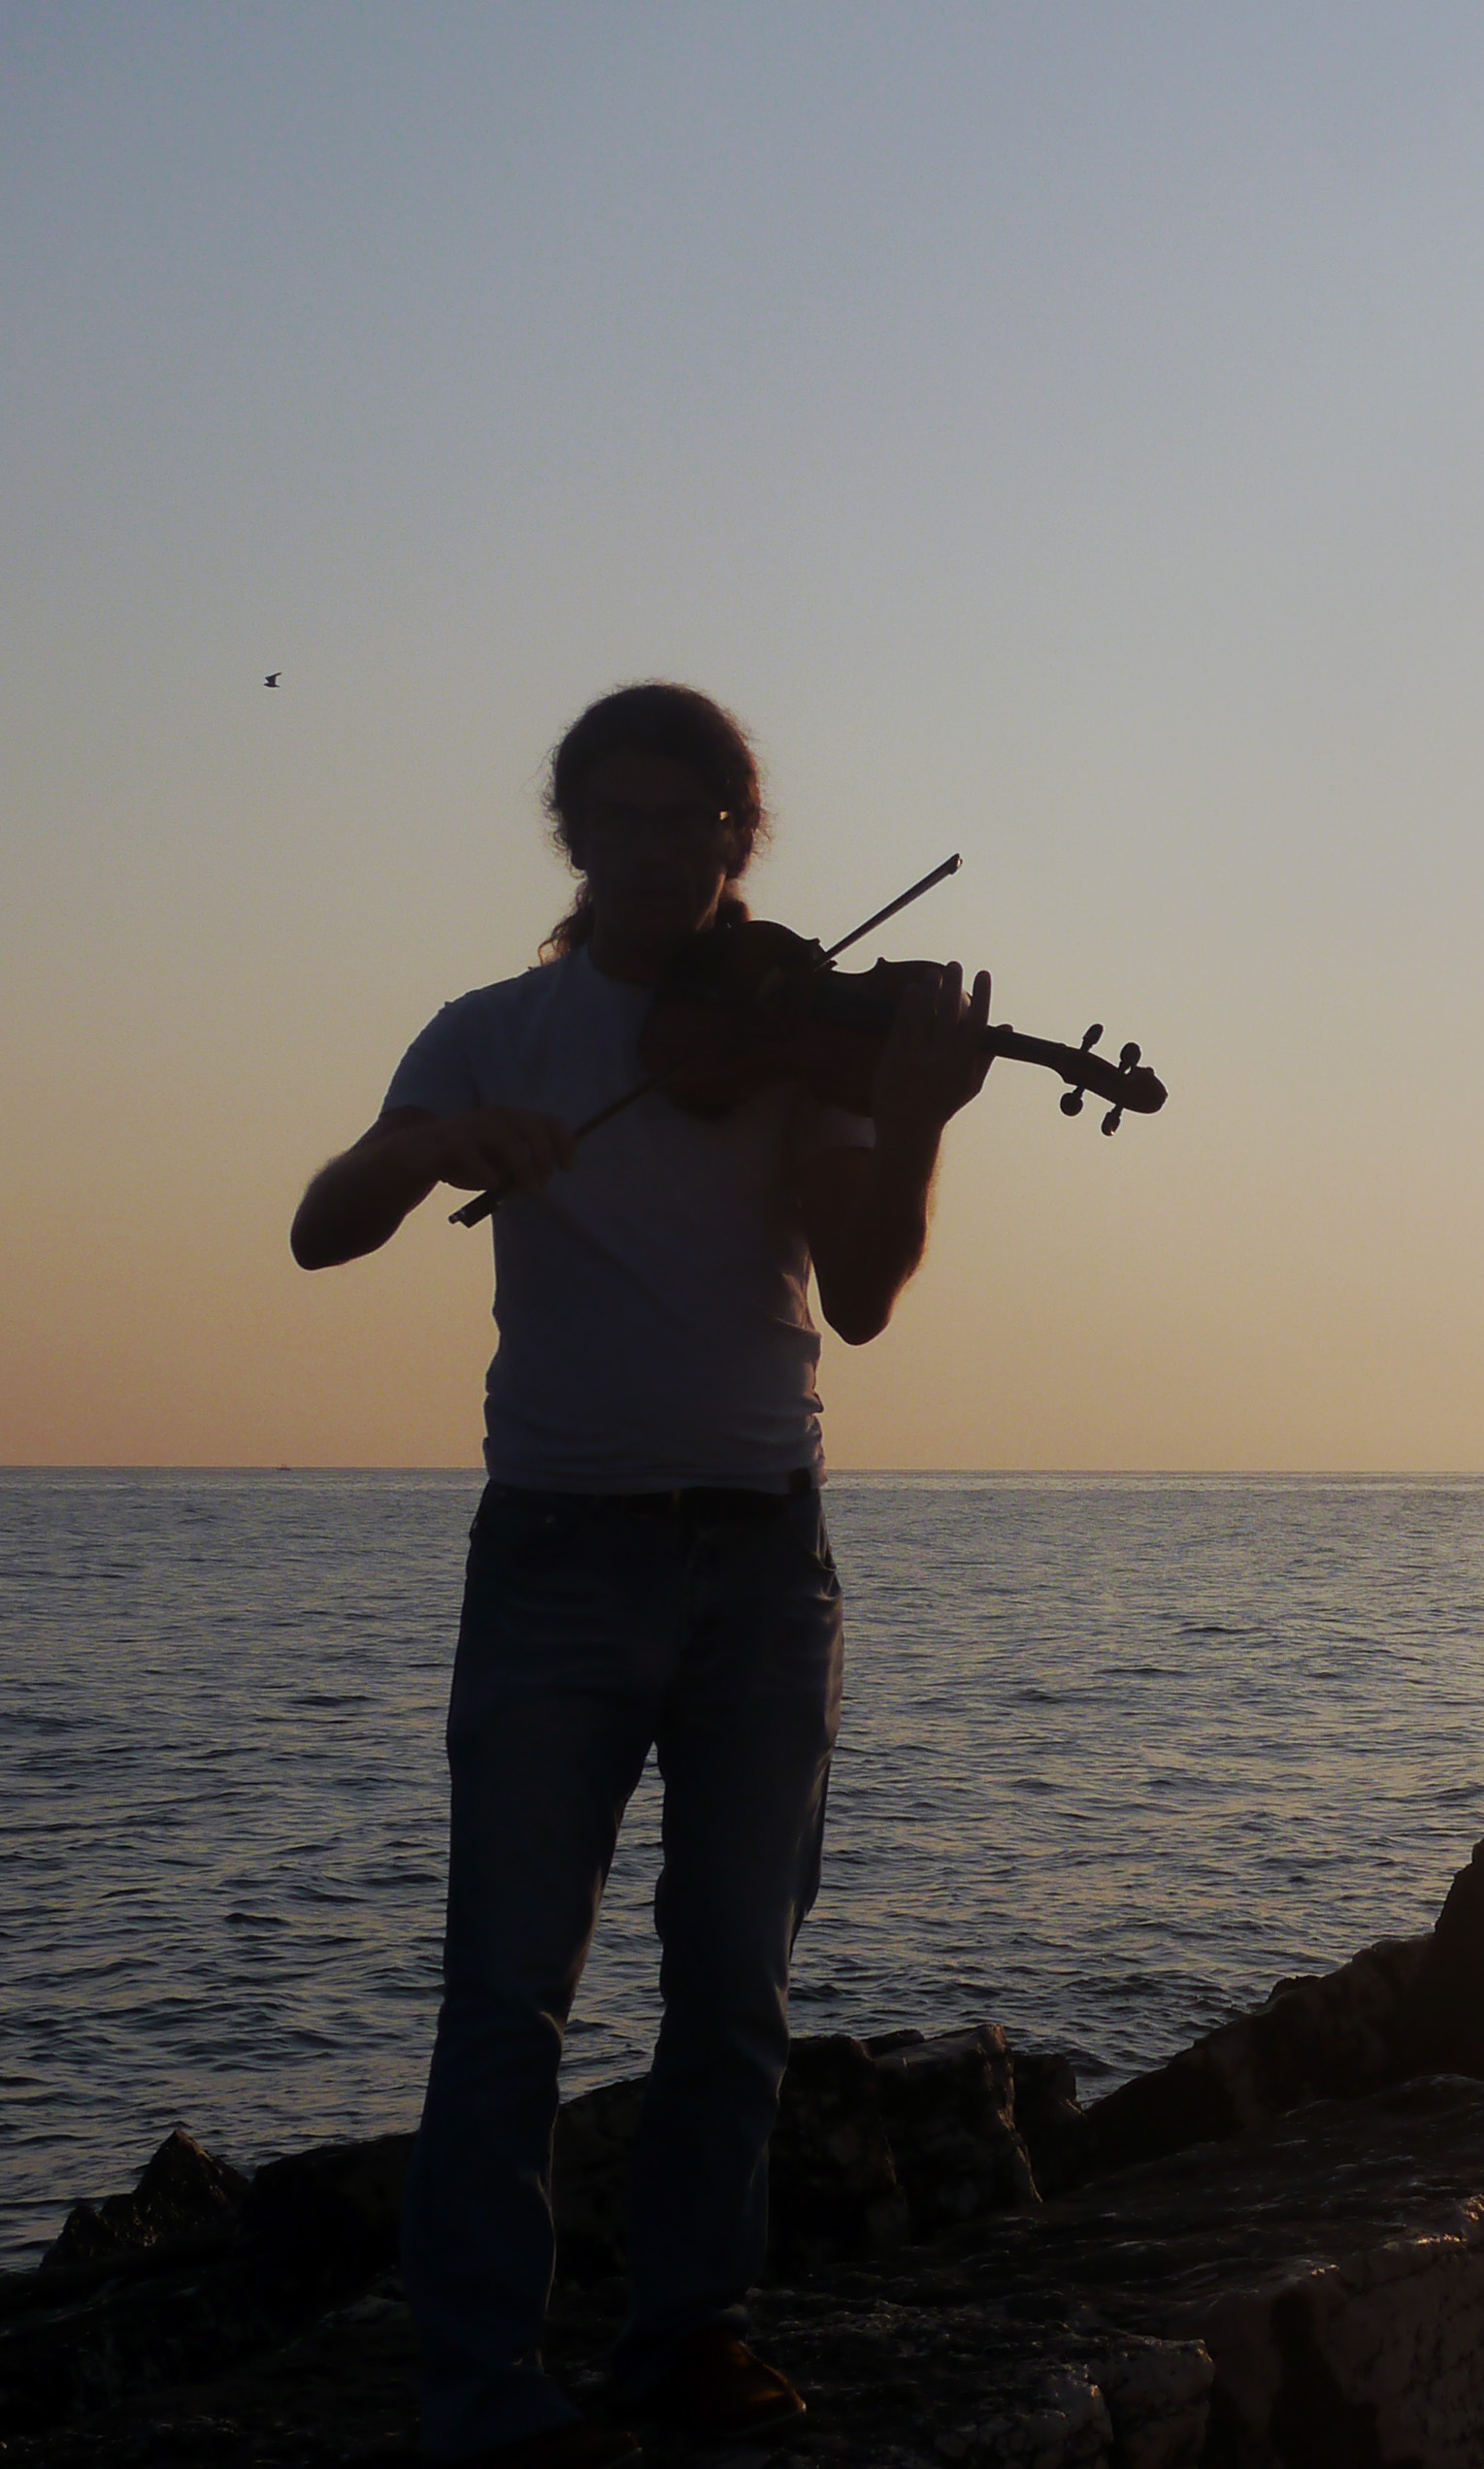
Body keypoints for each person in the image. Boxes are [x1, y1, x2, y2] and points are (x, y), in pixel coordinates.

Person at [291, 682, 990, 2469]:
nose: (662, 851)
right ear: (576, 837)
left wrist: (911, 1119)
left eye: (696, 824)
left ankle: (686, 2339)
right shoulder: (492, 1032)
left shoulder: (792, 1036)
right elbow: (324, 1227)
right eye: (626, 819)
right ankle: (480, 2391)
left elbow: (864, 1294)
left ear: (733, 844)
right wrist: (435, 1143)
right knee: (507, 1991)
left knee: (731, 1989)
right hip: (556, 1555)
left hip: (764, 1558)